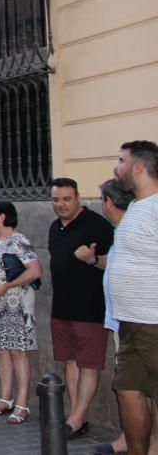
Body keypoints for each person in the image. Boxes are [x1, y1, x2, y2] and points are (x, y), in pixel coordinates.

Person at [47, 177, 115, 438]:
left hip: (90, 307)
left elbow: (113, 262)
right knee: (70, 361)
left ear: (78, 197)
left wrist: (92, 259)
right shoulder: (55, 227)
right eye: (56, 200)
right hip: (61, 307)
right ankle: (76, 417)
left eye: (66, 199)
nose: (61, 205)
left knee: (89, 364)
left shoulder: (98, 226)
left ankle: (75, 420)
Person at [108, 141, 158, 455]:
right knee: (128, 390)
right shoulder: (137, 206)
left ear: (138, 166)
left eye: (121, 160)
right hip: (129, 321)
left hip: (154, 320)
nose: (117, 167)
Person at [0, 201, 42, 425]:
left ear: (3, 216)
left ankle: (22, 403)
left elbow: (35, 271)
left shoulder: (19, 241)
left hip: (16, 305)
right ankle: (6, 397)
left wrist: (8, 286)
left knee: (18, 352)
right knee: (1, 350)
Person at [92, 178, 139, 455]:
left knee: (138, 387)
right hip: (121, 319)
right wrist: (93, 260)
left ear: (109, 202)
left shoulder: (132, 227)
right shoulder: (120, 230)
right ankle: (127, 437)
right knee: (127, 385)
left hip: (135, 320)